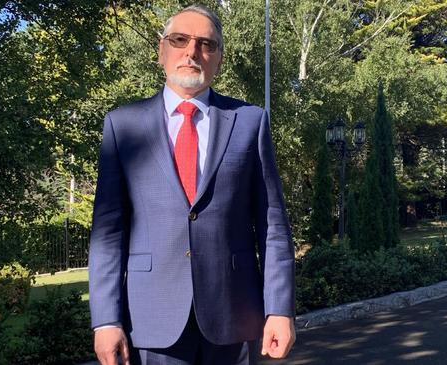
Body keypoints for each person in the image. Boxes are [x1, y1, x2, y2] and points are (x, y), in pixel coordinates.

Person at [88, 5, 295, 365]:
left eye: (206, 44)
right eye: (180, 40)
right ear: (161, 50)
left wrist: (280, 308)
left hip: (234, 317)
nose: (192, 52)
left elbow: (273, 227)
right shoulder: (123, 127)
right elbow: (108, 232)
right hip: (150, 321)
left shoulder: (249, 122)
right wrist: (106, 319)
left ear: (219, 59)